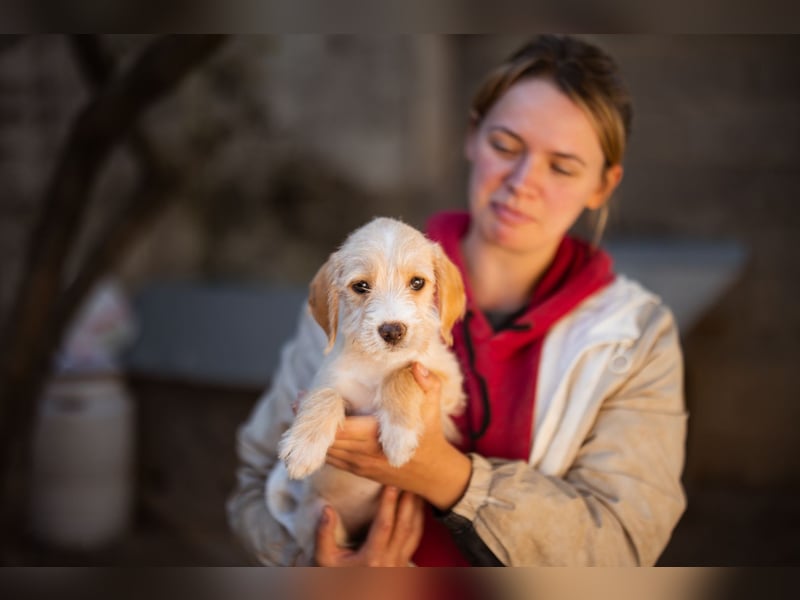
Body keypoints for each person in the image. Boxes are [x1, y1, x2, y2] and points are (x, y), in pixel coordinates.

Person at [227, 34, 687, 566]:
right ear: (472, 137)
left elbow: (625, 546)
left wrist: (444, 474)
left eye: (561, 167)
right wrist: (318, 564)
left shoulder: (636, 337)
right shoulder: (360, 293)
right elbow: (255, 484)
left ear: (603, 186)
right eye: (506, 146)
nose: (522, 183)